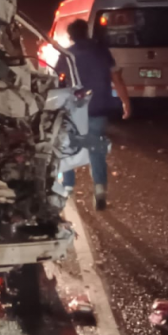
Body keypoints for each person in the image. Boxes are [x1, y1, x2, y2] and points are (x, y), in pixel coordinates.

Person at [56, 18, 132, 210]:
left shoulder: (67, 54)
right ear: (86, 32)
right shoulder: (102, 52)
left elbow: (56, 79)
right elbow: (116, 78)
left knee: (70, 146)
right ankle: (99, 191)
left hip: (74, 109)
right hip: (99, 107)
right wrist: (125, 102)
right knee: (95, 148)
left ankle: (68, 187)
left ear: (71, 35)